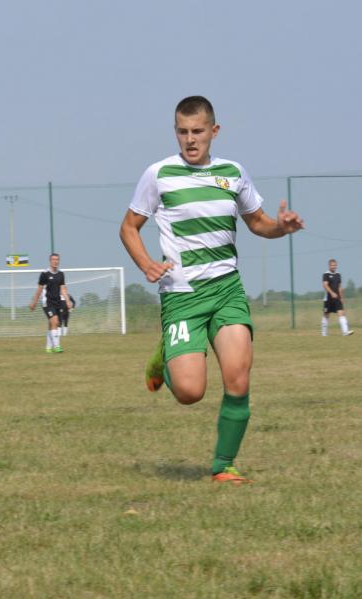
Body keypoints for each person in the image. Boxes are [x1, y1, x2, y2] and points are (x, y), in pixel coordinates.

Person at [119, 95, 304, 485]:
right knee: (190, 392)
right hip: (182, 295)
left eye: (198, 131)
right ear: (175, 132)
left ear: (214, 131)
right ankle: (164, 359)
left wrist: (281, 227)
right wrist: (146, 263)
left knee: (239, 377)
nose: (190, 139)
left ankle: (223, 466)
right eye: (183, 131)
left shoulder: (233, 173)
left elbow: (258, 222)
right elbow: (129, 227)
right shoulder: (158, 174)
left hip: (227, 290)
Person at [28, 253, 72, 353]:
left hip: (57, 302)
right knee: (55, 321)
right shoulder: (45, 274)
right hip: (47, 302)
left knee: (53, 324)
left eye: (57, 259)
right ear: (50, 261)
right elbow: (39, 289)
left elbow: (63, 289)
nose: (55, 261)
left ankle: (48, 347)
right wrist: (34, 302)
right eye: (53, 259)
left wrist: (68, 300)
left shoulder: (61, 274)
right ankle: (57, 346)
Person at [321, 259, 353, 336]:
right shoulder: (326, 274)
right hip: (328, 298)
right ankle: (324, 333)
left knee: (341, 313)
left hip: (337, 298)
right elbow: (325, 285)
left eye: (335, 265)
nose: (334, 267)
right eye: (332, 265)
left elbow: (339, 287)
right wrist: (331, 293)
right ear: (329, 266)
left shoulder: (338, 275)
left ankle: (345, 332)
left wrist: (341, 297)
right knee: (326, 315)